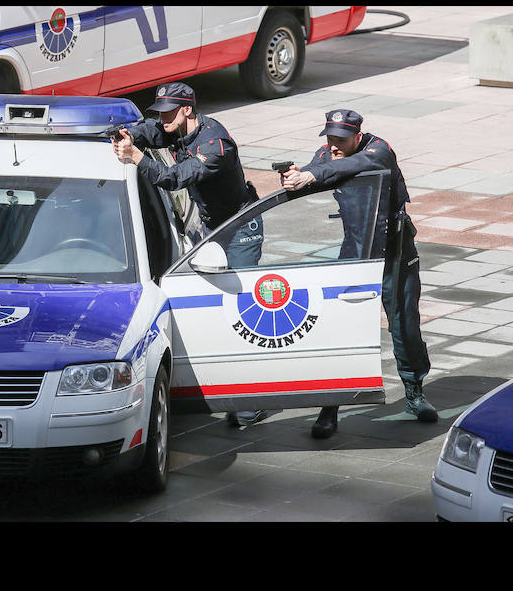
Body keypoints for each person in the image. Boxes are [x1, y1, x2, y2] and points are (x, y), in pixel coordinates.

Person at [112, 82, 265, 427]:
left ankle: (248, 400)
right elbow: (152, 130)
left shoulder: (216, 144)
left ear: (187, 111)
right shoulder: (176, 128)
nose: (162, 118)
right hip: (209, 227)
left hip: (240, 229)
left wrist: (135, 156)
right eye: (160, 112)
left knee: (242, 314)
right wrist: (128, 134)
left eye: (168, 112)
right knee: (208, 308)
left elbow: (174, 177)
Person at [282, 109, 438, 438]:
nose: (333, 146)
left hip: (395, 250)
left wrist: (314, 174)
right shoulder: (326, 155)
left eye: (340, 139)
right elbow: (319, 172)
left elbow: (354, 166)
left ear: (357, 136)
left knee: (404, 324)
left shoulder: (378, 150)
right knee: (342, 329)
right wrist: (297, 178)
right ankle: (331, 406)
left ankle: (414, 391)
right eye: (329, 139)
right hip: (355, 249)